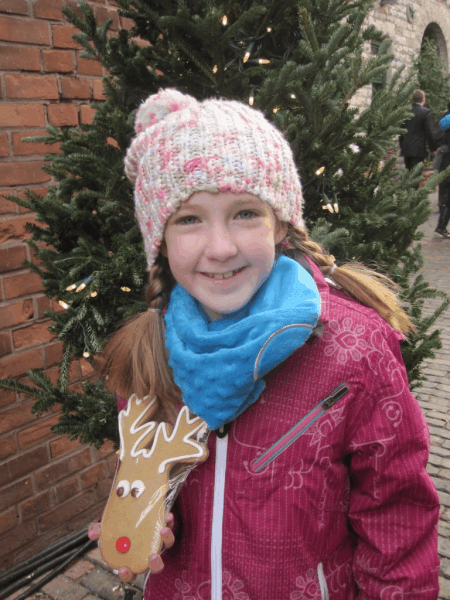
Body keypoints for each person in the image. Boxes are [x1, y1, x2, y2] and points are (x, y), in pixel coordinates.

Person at [88, 89, 440, 600]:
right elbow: (149, 477)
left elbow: (397, 524)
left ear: (281, 224)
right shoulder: (150, 352)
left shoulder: (353, 352)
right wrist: (152, 526)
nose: (221, 247)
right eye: (188, 219)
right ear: (159, 241)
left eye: (245, 213)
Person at [399, 89, 436, 186]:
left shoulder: (405, 112)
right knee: (415, 176)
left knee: (408, 173)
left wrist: (402, 145)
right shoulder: (426, 112)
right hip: (419, 149)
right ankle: (413, 198)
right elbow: (429, 132)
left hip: (406, 148)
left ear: (412, 99)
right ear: (423, 99)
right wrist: (432, 148)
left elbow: (401, 131)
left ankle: (407, 196)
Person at [433, 104, 450, 238]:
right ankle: (441, 226)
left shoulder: (445, 119)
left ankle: (441, 226)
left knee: (444, 189)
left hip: (445, 160)